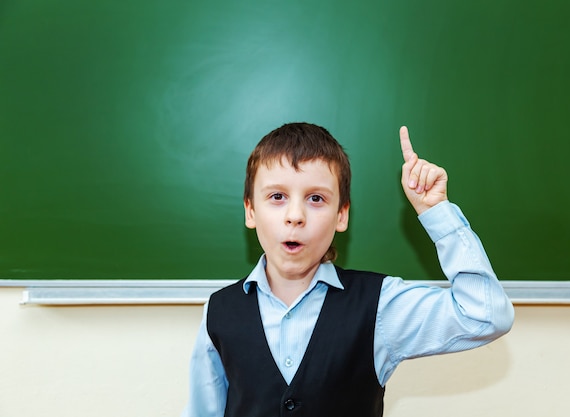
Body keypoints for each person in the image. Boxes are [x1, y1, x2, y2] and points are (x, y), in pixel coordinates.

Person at [181, 122, 514, 417]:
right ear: (250, 211)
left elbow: (485, 314)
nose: (295, 215)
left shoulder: (380, 304)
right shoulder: (220, 311)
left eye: (316, 199)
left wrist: (436, 211)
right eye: (278, 196)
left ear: (342, 215)